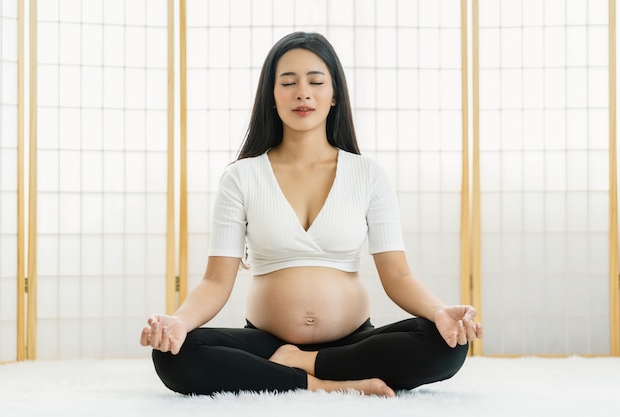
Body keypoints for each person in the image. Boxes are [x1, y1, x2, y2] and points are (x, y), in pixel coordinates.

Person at [140, 31, 483, 397]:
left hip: (351, 344)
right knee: (174, 355)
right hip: (266, 344)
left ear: (334, 95)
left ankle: (302, 365)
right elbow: (215, 282)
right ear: (271, 96)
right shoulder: (241, 176)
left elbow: (397, 274)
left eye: (316, 81)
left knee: (447, 344)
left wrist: (440, 311)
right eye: (288, 82)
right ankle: (323, 384)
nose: (302, 92)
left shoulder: (367, 175)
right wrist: (179, 322)